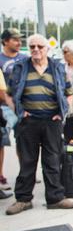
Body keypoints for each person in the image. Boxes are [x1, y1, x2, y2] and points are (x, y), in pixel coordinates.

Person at [5, 34, 73, 215]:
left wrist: (62, 113)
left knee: (52, 160)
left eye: (39, 46)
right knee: (27, 161)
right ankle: (23, 199)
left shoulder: (57, 68)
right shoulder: (21, 67)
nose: (36, 49)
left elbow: (69, 92)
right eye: (32, 47)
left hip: (52, 121)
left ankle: (55, 198)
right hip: (28, 122)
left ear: (47, 49)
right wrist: (20, 113)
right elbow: (9, 94)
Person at [0, 28, 26, 189]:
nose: (19, 43)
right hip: (2, 108)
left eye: (20, 39)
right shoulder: (0, 60)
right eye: (15, 39)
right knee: (1, 143)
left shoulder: (24, 59)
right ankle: (1, 175)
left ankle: (25, 172)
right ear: (5, 41)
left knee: (22, 142)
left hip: (21, 108)